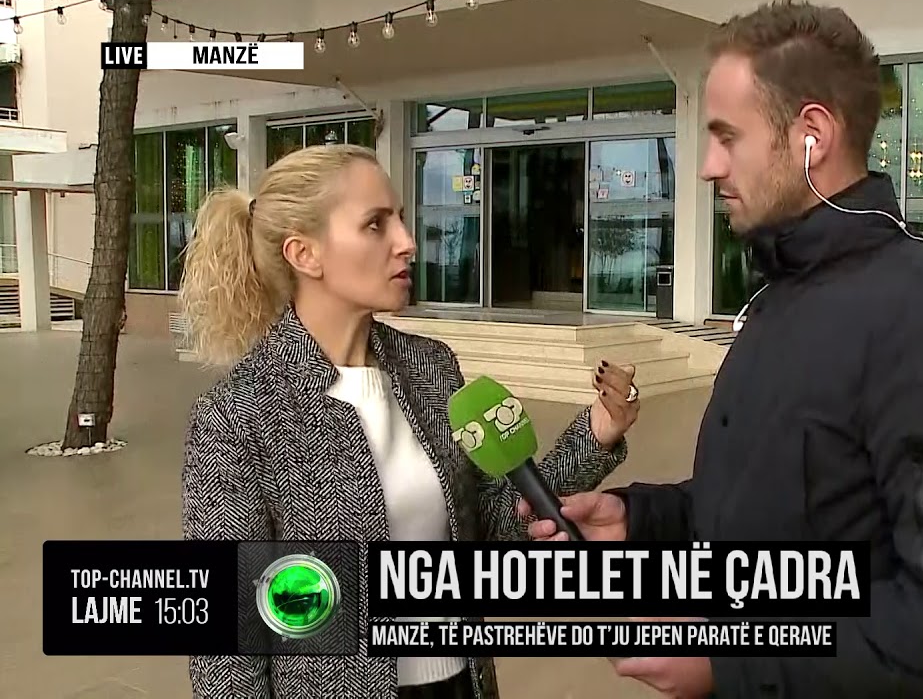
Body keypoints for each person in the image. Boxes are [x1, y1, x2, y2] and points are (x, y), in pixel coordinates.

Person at [524, 0, 923, 699]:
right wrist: (640, 520)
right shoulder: (777, 297)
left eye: (727, 137)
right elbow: (772, 505)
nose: (707, 167)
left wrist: (732, 659)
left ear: (811, 135)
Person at [179, 144, 641, 699]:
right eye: (375, 224)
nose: (407, 241)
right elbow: (228, 647)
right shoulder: (238, 413)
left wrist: (596, 432)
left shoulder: (432, 367)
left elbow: (494, 524)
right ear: (305, 254)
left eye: (399, 217)